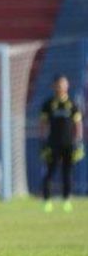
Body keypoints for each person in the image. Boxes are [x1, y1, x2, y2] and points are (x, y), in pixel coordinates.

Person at [40, 74, 83, 212]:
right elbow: (43, 124)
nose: (61, 87)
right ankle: (47, 201)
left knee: (67, 173)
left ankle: (66, 201)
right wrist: (43, 142)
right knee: (50, 172)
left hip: (69, 144)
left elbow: (78, 124)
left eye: (64, 84)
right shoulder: (48, 104)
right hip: (53, 144)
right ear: (54, 86)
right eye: (59, 84)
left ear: (67, 86)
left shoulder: (72, 104)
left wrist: (78, 141)